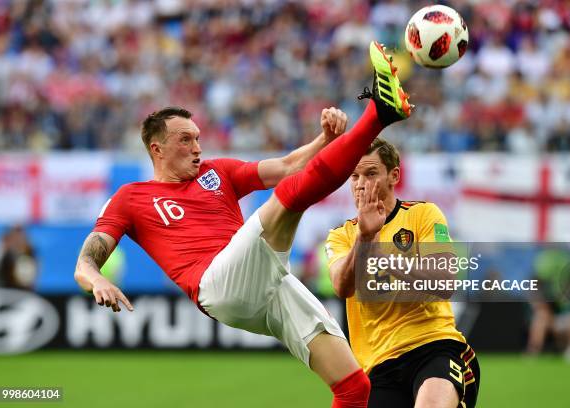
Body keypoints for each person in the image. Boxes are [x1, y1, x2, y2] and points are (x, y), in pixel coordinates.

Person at [74, 42, 412, 407]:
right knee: (288, 200)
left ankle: (379, 112)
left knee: (354, 386)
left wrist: (324, 140)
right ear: (157, 149)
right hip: (218, 284)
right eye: (185, 140)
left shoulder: (217, 171)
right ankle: (379, 113)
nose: (197, 148)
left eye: (198, 138)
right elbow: (85, 263)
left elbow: (286, 166)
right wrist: (97, 281)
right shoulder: (131, 197)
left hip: (264, 281)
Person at [326, 138, 480, 408]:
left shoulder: (424, 215)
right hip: (379, 366)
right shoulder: (341, 236)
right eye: (354, 176)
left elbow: (446, 282)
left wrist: (384, 258)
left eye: (371, 173)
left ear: (393, 175)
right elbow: (341, 286)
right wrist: (364, 238)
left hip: (435, 348)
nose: (361, 183)